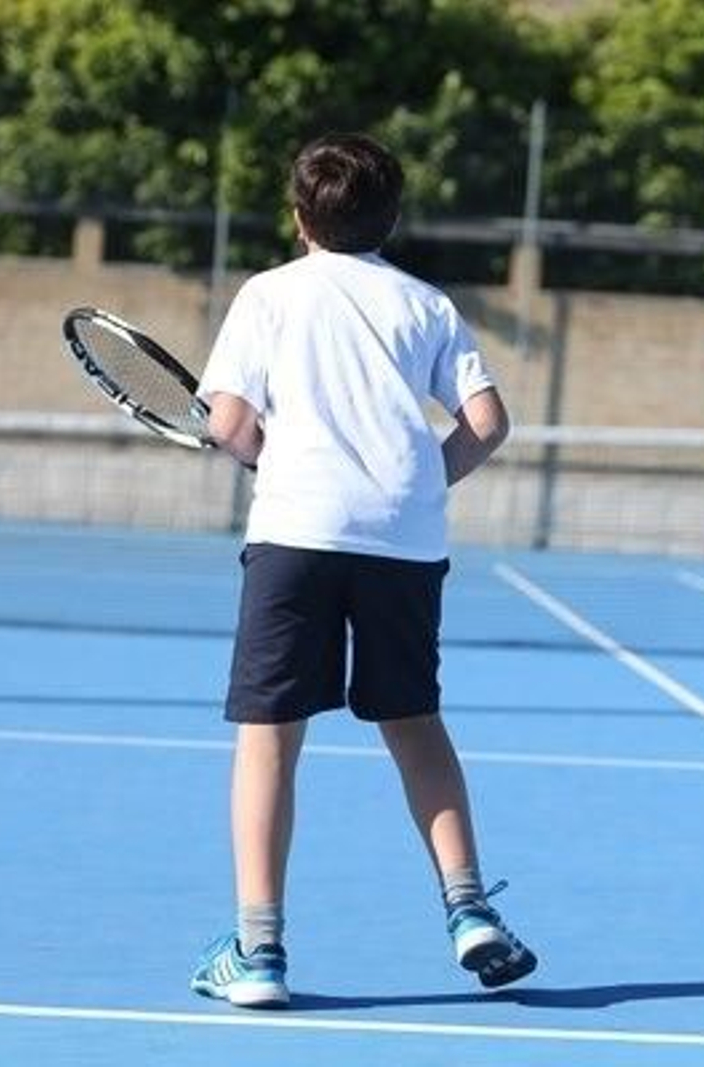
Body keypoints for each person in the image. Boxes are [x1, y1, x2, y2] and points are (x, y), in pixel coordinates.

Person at [189, 133, 535, 1010]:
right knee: (416, 724)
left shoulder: (267, 295)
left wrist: (266, 455)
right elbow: (487, 422)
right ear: (392, 217)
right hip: (404, 544)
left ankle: (258, 951)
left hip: (296, 534)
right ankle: (470, 910)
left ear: (298, 216)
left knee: (271, 736)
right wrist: (420, 483)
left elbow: (228, 421)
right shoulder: (426, 303)